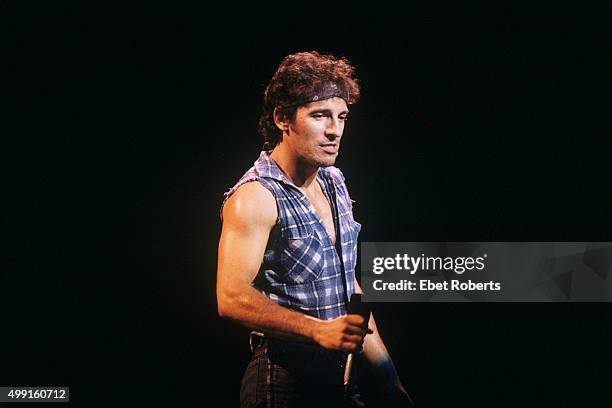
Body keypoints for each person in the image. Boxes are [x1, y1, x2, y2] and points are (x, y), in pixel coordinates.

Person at [217, 51, 414, 407]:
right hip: (281, 382)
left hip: (339, 381)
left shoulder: (335, 181)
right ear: (282, 118)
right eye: (320, 115)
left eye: (342, 117)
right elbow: (230, 297)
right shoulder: (256, 197)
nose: (334, 130)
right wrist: (319, 331)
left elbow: (348, 287)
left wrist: (389, 380)